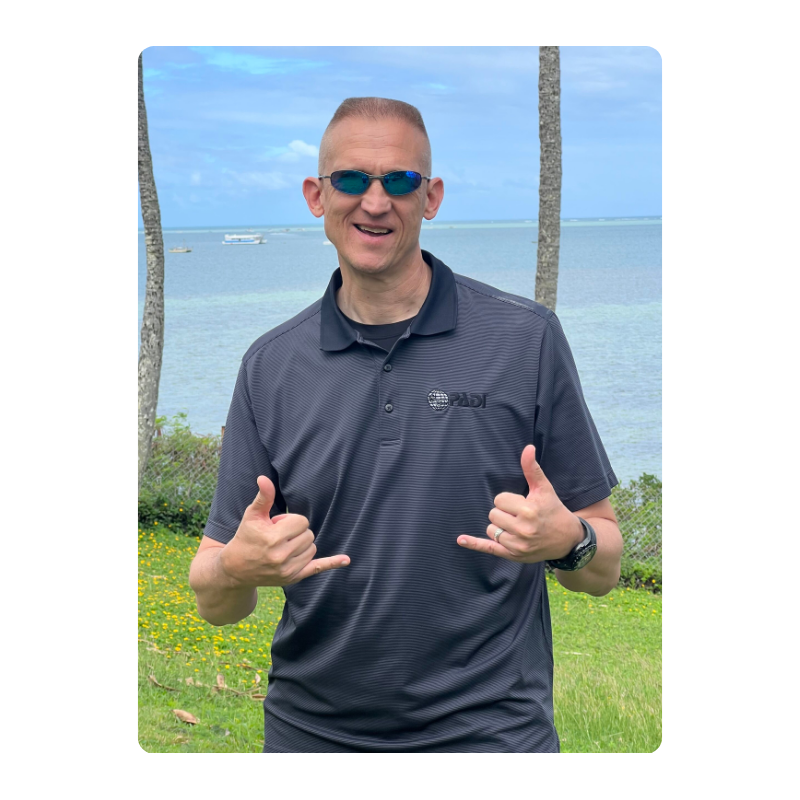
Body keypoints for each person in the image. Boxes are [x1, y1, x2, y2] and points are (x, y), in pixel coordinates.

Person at [189, 97, 623, 754]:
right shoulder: (270, 366)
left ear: (431, 197)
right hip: (313, 731)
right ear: (316, 195)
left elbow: (604, 564)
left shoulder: (524, 338)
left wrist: (568, 541)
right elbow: (215, 600)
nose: (374, 201)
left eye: (398, 181)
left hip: (493, 731)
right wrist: (237, 571)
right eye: (351, 180)